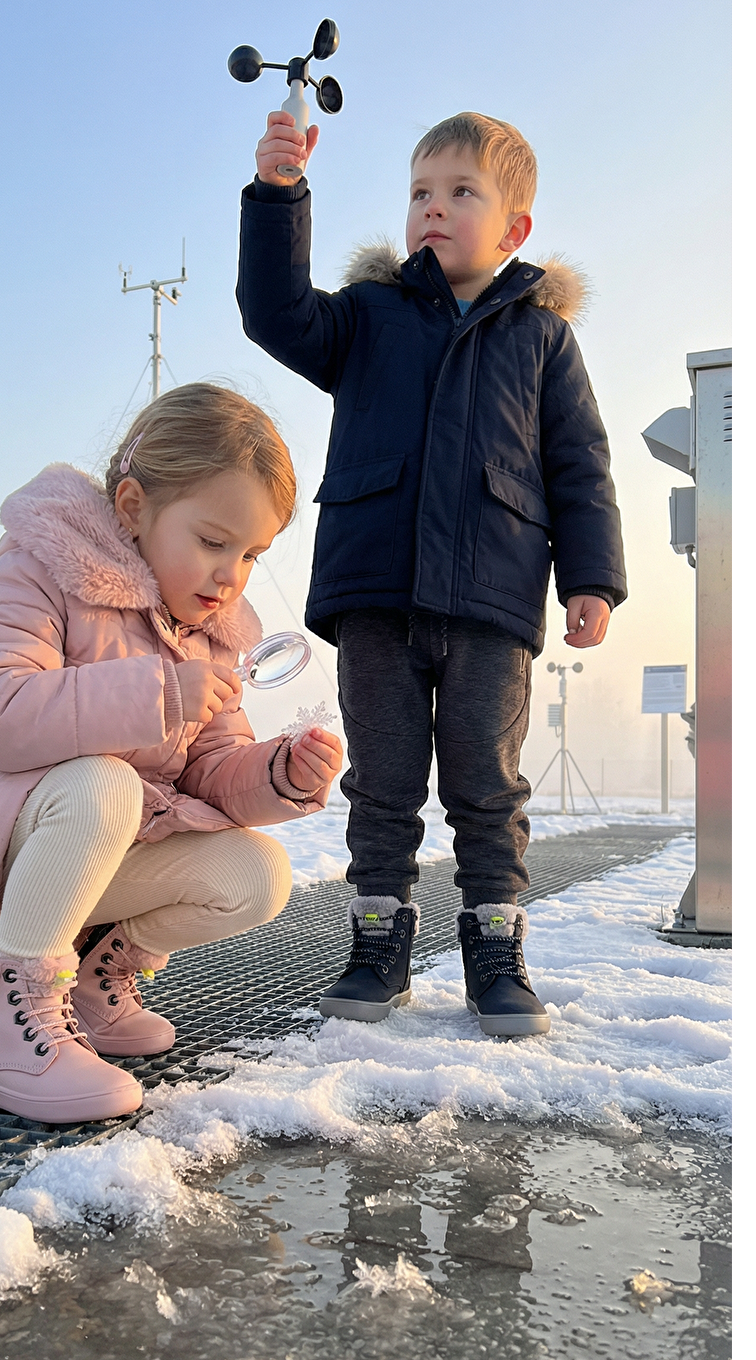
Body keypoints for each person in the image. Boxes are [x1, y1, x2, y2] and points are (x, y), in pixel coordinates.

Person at [237, 111, 626, 1036]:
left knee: (487, 785)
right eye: (420, 193)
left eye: (461, 193)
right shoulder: (367, 316)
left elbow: (580, 463)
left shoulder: (541, 338)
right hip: (374, 593)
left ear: (514, 228)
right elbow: (275, 314)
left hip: (492, 600)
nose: (433, 210)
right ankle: (378, 943)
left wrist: (592, 578)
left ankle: (496, 950)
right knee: (382, 780)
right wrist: (280, 198)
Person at [0, 383, 343, 1122]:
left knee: (258, 873)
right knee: (106, 784)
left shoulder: (211, 630)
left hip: (97, 845)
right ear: (133, 507)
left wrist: (278, 773)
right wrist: (156, 694)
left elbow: (208, 774)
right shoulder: (46, 561)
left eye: (253, 554)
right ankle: (3, 1024)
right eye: (213, 541)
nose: (232, 575)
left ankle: (98, 972)